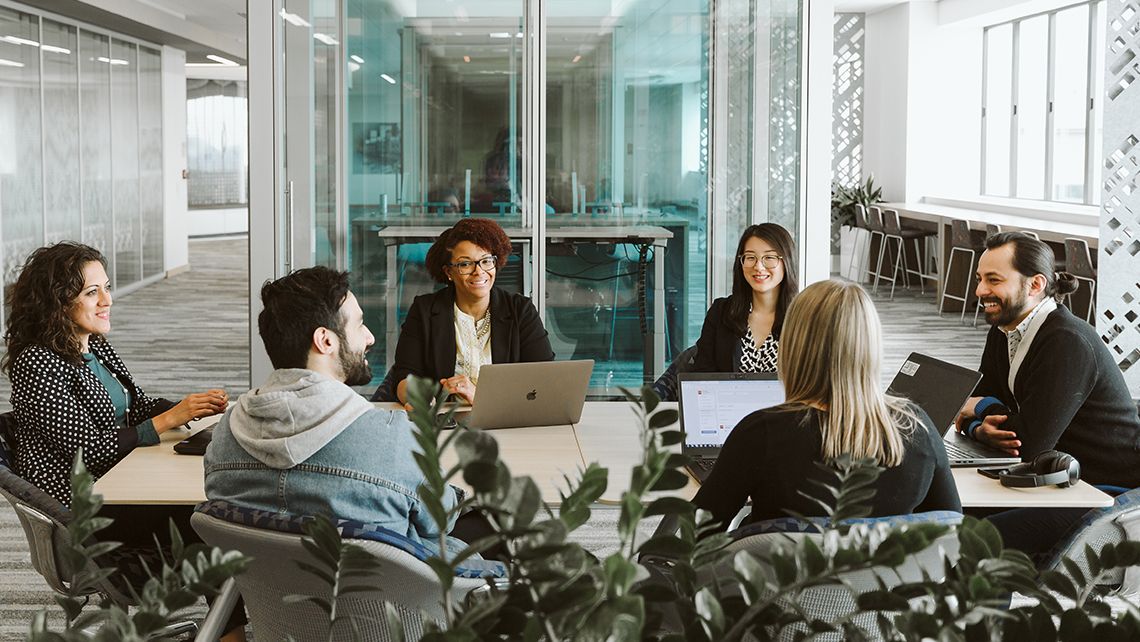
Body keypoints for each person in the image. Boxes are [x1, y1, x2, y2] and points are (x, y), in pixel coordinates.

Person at [2, 242, 245, 639]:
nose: (107, 300)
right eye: (91, 292)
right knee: (211, 521)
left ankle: (230, 631)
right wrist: (169, 418)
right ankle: (232, 634)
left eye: (107, 287)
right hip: (86, 514)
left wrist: (192, 408)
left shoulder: (92, 344)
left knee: (214, 515)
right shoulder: (37, 363)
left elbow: (133, 409)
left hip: (119, 488)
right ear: (57, 302)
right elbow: (90, 450)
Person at [205, 266, 490, 558]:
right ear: (325, 340)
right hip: (387, 600)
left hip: (269, 599)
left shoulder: (226, 434)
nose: (369, 338)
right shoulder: (391, 437)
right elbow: (441, 518)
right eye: (359, 325)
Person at [693, 280, 961, 530]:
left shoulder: (760, 433)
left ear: (793, 345)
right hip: (886, 581)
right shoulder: (916, 427)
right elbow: (951, 532)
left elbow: (690, 534)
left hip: (779, 580)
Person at [954, 232, 1140, 556]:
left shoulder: (1066, 342)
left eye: (993, 280)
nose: (980, 290)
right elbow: (974, 411)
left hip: (1106, 494)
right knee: (946, 514)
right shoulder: (1004, 330)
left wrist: (979, 410)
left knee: (978, 541)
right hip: (1054, 478)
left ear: (1035, 285)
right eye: (980, 279)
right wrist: (976, 425)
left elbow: (1027, 442)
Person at [372, 217, 555, 405]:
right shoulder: (425, 310)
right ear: (449, 272)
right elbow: (405, 375)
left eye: (486, 261)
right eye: (465, 264)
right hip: (444, 421)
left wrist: (479, 398)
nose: (479, 271)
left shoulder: (521, 311)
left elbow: (544, 380)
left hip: (508, 420)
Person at [690, 223, 799, 374]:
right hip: (725, 398)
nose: (759, 267)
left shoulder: (805, 317)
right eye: (750, 257)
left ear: (786, 261)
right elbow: (702, 373)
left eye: (769, 257)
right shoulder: (720, 312)